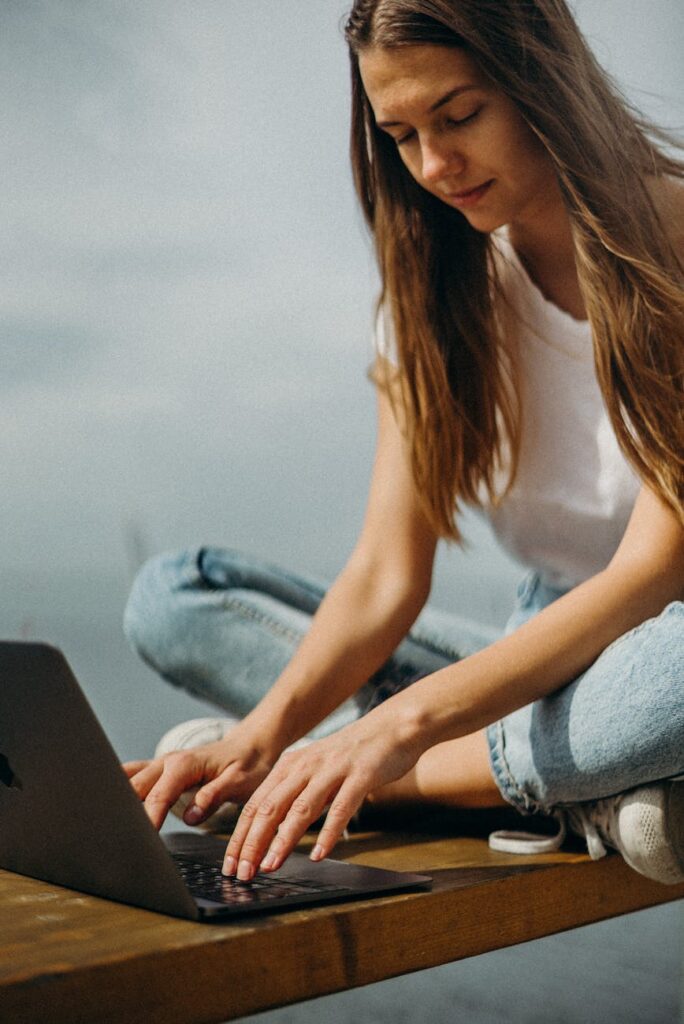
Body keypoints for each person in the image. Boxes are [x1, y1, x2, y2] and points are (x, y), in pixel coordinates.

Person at [123, 0, 684, 886]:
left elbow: (653, 572)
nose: (433, 165)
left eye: (460, 116)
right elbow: (388, 575)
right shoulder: (437, 289)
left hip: (657, 641)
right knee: (170, 598)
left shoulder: (674, 245)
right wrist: (257, 736)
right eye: (402, 136)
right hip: (533, 661)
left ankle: (386, 786)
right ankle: (581, 783)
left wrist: (391, 734)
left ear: (542, 80)